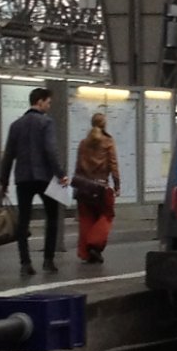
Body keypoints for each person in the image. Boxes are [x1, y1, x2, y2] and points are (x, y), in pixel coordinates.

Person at [0, 87, 68, 276]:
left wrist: (3, 181)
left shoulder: (16, 125)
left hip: (23, 179)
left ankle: (25, 263)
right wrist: (60, 174)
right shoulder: (46, 123)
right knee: (52, 218)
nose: (49, 106)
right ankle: (48, 260)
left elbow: (9, 156)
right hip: (44, 178)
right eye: (48, 102)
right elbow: (50, 151)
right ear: (40, 102)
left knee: (23, 221)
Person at [73, 112, 121, 264]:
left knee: (86, 218)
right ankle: (94, 243)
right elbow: (113, 165)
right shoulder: (108, 142)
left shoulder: (83, 143)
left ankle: (86, 252)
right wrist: (117, 185)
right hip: (101, 186)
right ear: (104, 125)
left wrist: (77, 184)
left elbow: (78, 165)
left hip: (84, 186)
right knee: (107, 215)